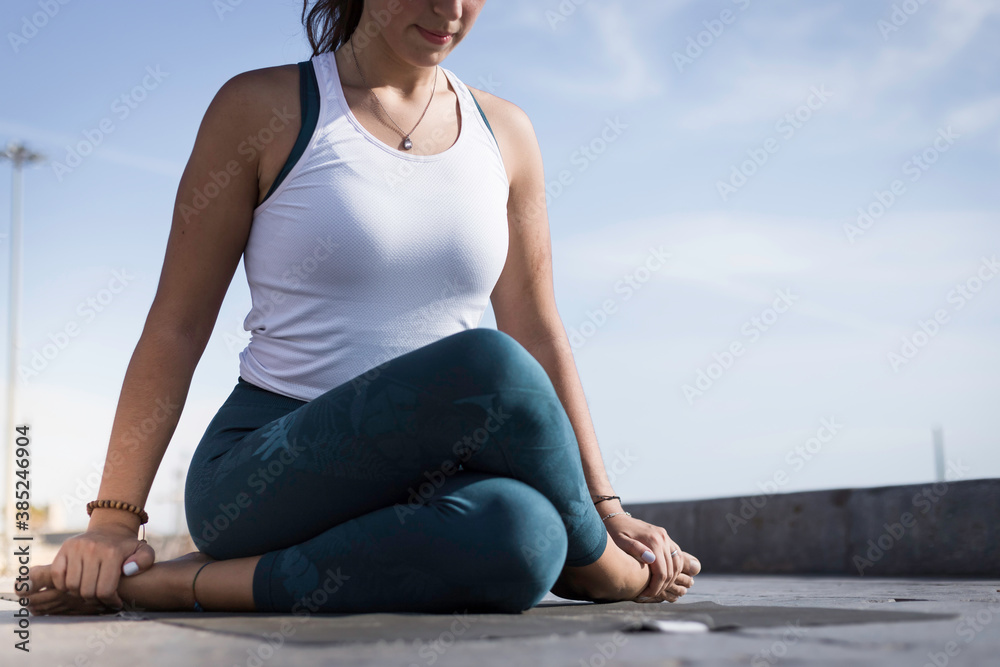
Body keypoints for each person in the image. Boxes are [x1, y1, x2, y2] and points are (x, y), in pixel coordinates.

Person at [26, 0, 700, 615]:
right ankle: (606, 573)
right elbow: (175, 326)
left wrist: (607, 505)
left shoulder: (508, 132)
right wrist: (114, 519)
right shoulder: (262, 107)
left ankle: (176, 583)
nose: (451, 9)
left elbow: (540, 330)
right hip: (268, 468)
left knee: (523, 536)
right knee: (489, 363)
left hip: (434, 478)